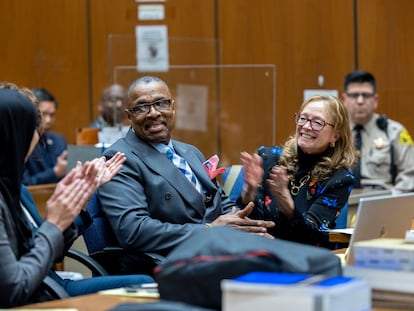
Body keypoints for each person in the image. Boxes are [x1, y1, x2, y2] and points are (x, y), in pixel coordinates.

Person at [97, 76, 275, 274]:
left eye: (161, 103)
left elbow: (218, 203)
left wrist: (248, 223)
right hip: (170, 262)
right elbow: (133, 230)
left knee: (278, 256)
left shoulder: (190, 152)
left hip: (215, 251)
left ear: (172, 107)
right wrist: (208, 231)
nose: (154, 113)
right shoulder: (119, 158)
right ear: (129, 116)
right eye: (141, 107)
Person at [0, 82, 153, 308]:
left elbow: (53, 253)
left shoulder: (15, 189)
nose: (39, 136)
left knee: (146, 284)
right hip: (38, 294)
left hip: (49, 284)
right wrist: (53, 225)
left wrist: (79, 200)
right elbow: (13, 289)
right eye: (33, 127)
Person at [240, 95, 357, 248]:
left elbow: (314, 237)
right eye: (303, 118)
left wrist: (286, 203)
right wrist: (250, 190)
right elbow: (247, 220)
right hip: (259, 249)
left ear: (335, 135)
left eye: (317, 122)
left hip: (304, 258)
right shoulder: (269, 158)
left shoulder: (339, 179)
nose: (306, 126)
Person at [341, 70, 414, 193]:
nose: (360, 101)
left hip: (382, 201)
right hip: (340, 204)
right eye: (354, 95)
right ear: (344, 99)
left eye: (366, 95)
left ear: (375, 100)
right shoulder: (334, 132)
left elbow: (410, 173)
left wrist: (392, 199)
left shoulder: (394, 132)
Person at [22, 88, 68, 185]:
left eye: (52, 115)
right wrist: (55, 172)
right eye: (44, 114)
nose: (48, 120)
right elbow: (24, 183)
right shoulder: (20, 143)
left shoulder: (58, 140)